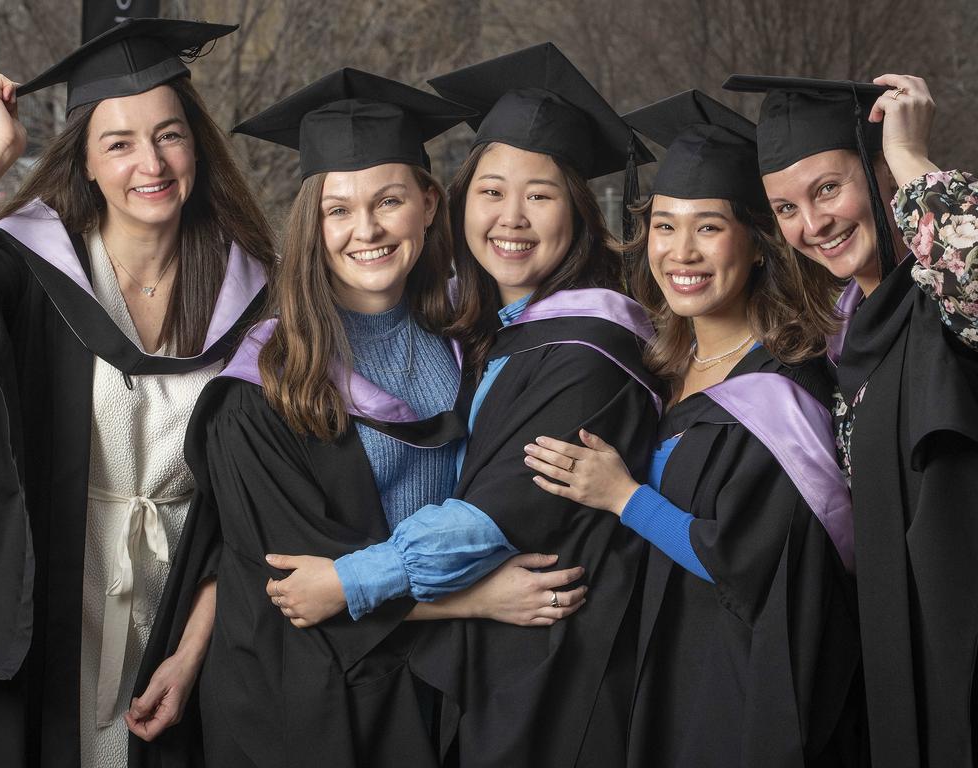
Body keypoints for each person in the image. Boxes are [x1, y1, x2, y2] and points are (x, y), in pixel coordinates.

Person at [259, 44, 665, 767]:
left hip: (557, 671)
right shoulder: (482, 329)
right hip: (484, 673)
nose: (511, 217)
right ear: (459, 198)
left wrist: (349, 580)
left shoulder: (587, 354)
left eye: (540, 194)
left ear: (577, 208)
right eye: (492, 190)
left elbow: (497, 513)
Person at [176, 68, 589, 768]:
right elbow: (301, 589)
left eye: (389, 200)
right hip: (307, 703)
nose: (365, 229)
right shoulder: (265, 384)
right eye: (338, 210)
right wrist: (478, 600)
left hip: (440, 688)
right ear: (314, 222)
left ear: (429, 204)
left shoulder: (474, 340)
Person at [0, 19, 274, 768]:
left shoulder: (253, 295)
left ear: (196, 146)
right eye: (119, 143)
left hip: (183, 614)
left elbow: (256, 510)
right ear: (86, 163)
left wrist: (192, 651)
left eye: (169, 135)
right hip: (56, 602)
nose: (151, 163)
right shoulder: (31, 271)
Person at [523, 89, 860, 767]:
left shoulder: (786, 391)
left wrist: (624, 497)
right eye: (666, 226)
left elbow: (749, 558)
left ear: (758, 245)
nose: (682, 251)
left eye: (708, 227)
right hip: (648, 674)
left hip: (736, 687)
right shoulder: (655, 365)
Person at [724, 73, 978, 766]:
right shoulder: (849, 342)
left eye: (829, 189)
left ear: (876, 170)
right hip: (902, 675)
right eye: (785, 208)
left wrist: (911, 158)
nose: (813, 224)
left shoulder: (942, 307)